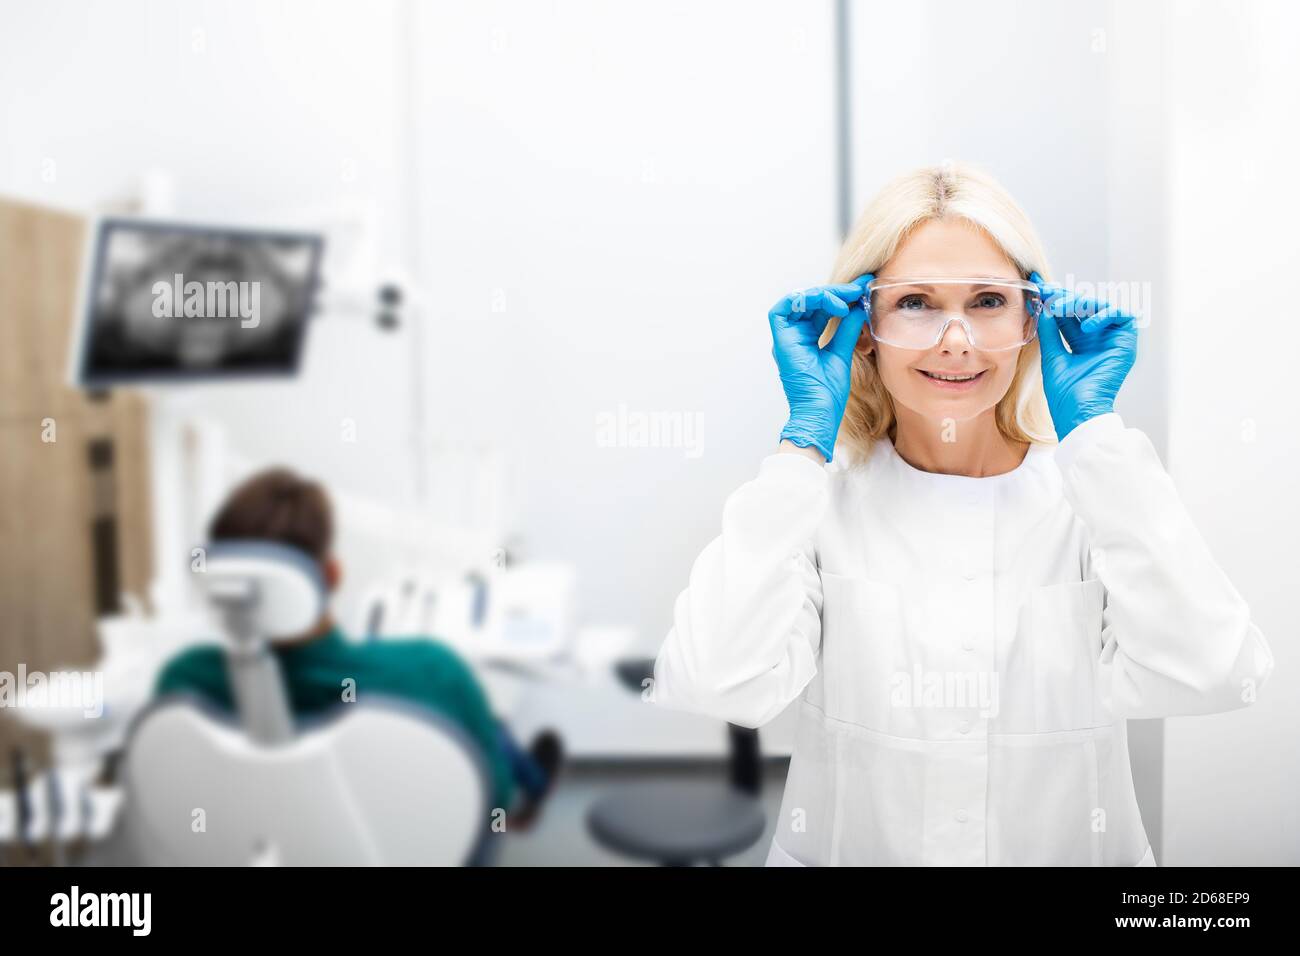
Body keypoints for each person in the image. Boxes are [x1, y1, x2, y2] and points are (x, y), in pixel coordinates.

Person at [649, 161, 1274, 867]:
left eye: (986, 301)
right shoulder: (817, 504)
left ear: (1032, 319)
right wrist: (801, 446)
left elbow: (1214, 670)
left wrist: (1096, 436)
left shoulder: (1093, 500)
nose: (956, 340)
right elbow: (716, 680)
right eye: (915, 301)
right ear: (863, 326)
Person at [154, 468, 562, 829]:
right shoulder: (433, 670)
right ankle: (534, 781)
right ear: (332, 574)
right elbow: (493, 800)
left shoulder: (184, 682)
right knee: (486, 725)